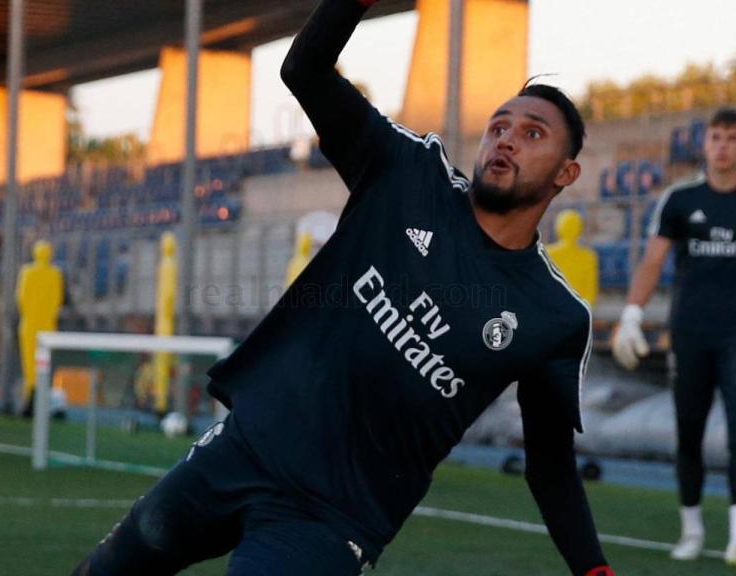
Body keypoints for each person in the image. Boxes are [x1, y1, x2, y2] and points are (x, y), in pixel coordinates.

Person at [73, 0, 613, 574]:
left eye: (532, 134)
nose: (506, 140)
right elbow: (304, 71)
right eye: (498, 126)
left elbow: (550, 465)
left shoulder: (555, 316)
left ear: (565, 172)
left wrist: (594, 569)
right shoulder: (408, 173)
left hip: (329, 519)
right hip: (242, 450)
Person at [611, 108, 736, 566]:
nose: (724, 145)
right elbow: (653, 262)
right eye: (716, 137)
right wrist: (632, 314)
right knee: (688, 434)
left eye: (733, 137)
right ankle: (691, 530)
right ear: (705, 144)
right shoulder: (679, 200)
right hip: (689, 334)